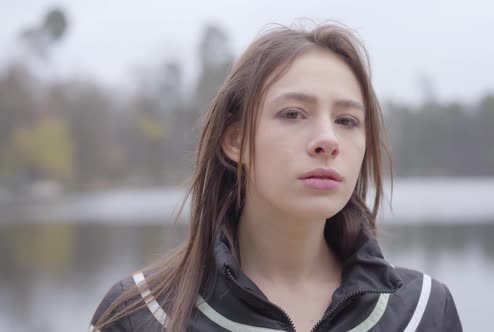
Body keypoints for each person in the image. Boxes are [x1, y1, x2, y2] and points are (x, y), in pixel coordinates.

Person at [90, 23, 462, 332]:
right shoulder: (142, 315)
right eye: (293, 114)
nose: (327, 141)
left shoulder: (423, 311)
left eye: (346, 120)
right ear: (236, 141)